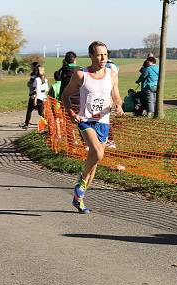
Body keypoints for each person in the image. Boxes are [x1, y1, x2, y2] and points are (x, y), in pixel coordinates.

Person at [62, 40, 124, 214]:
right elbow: (65, 95)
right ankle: (81, 181)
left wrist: (118, 105)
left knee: (95, 163)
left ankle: (79, 198)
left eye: (105, 54)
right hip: (85, 120)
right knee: (98, 153)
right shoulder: (81, 74)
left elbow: (116, 95)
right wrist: (71, 113)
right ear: (91, 56)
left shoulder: (112, 73)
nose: (102, 58)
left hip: (103, 121)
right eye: (98, 54)